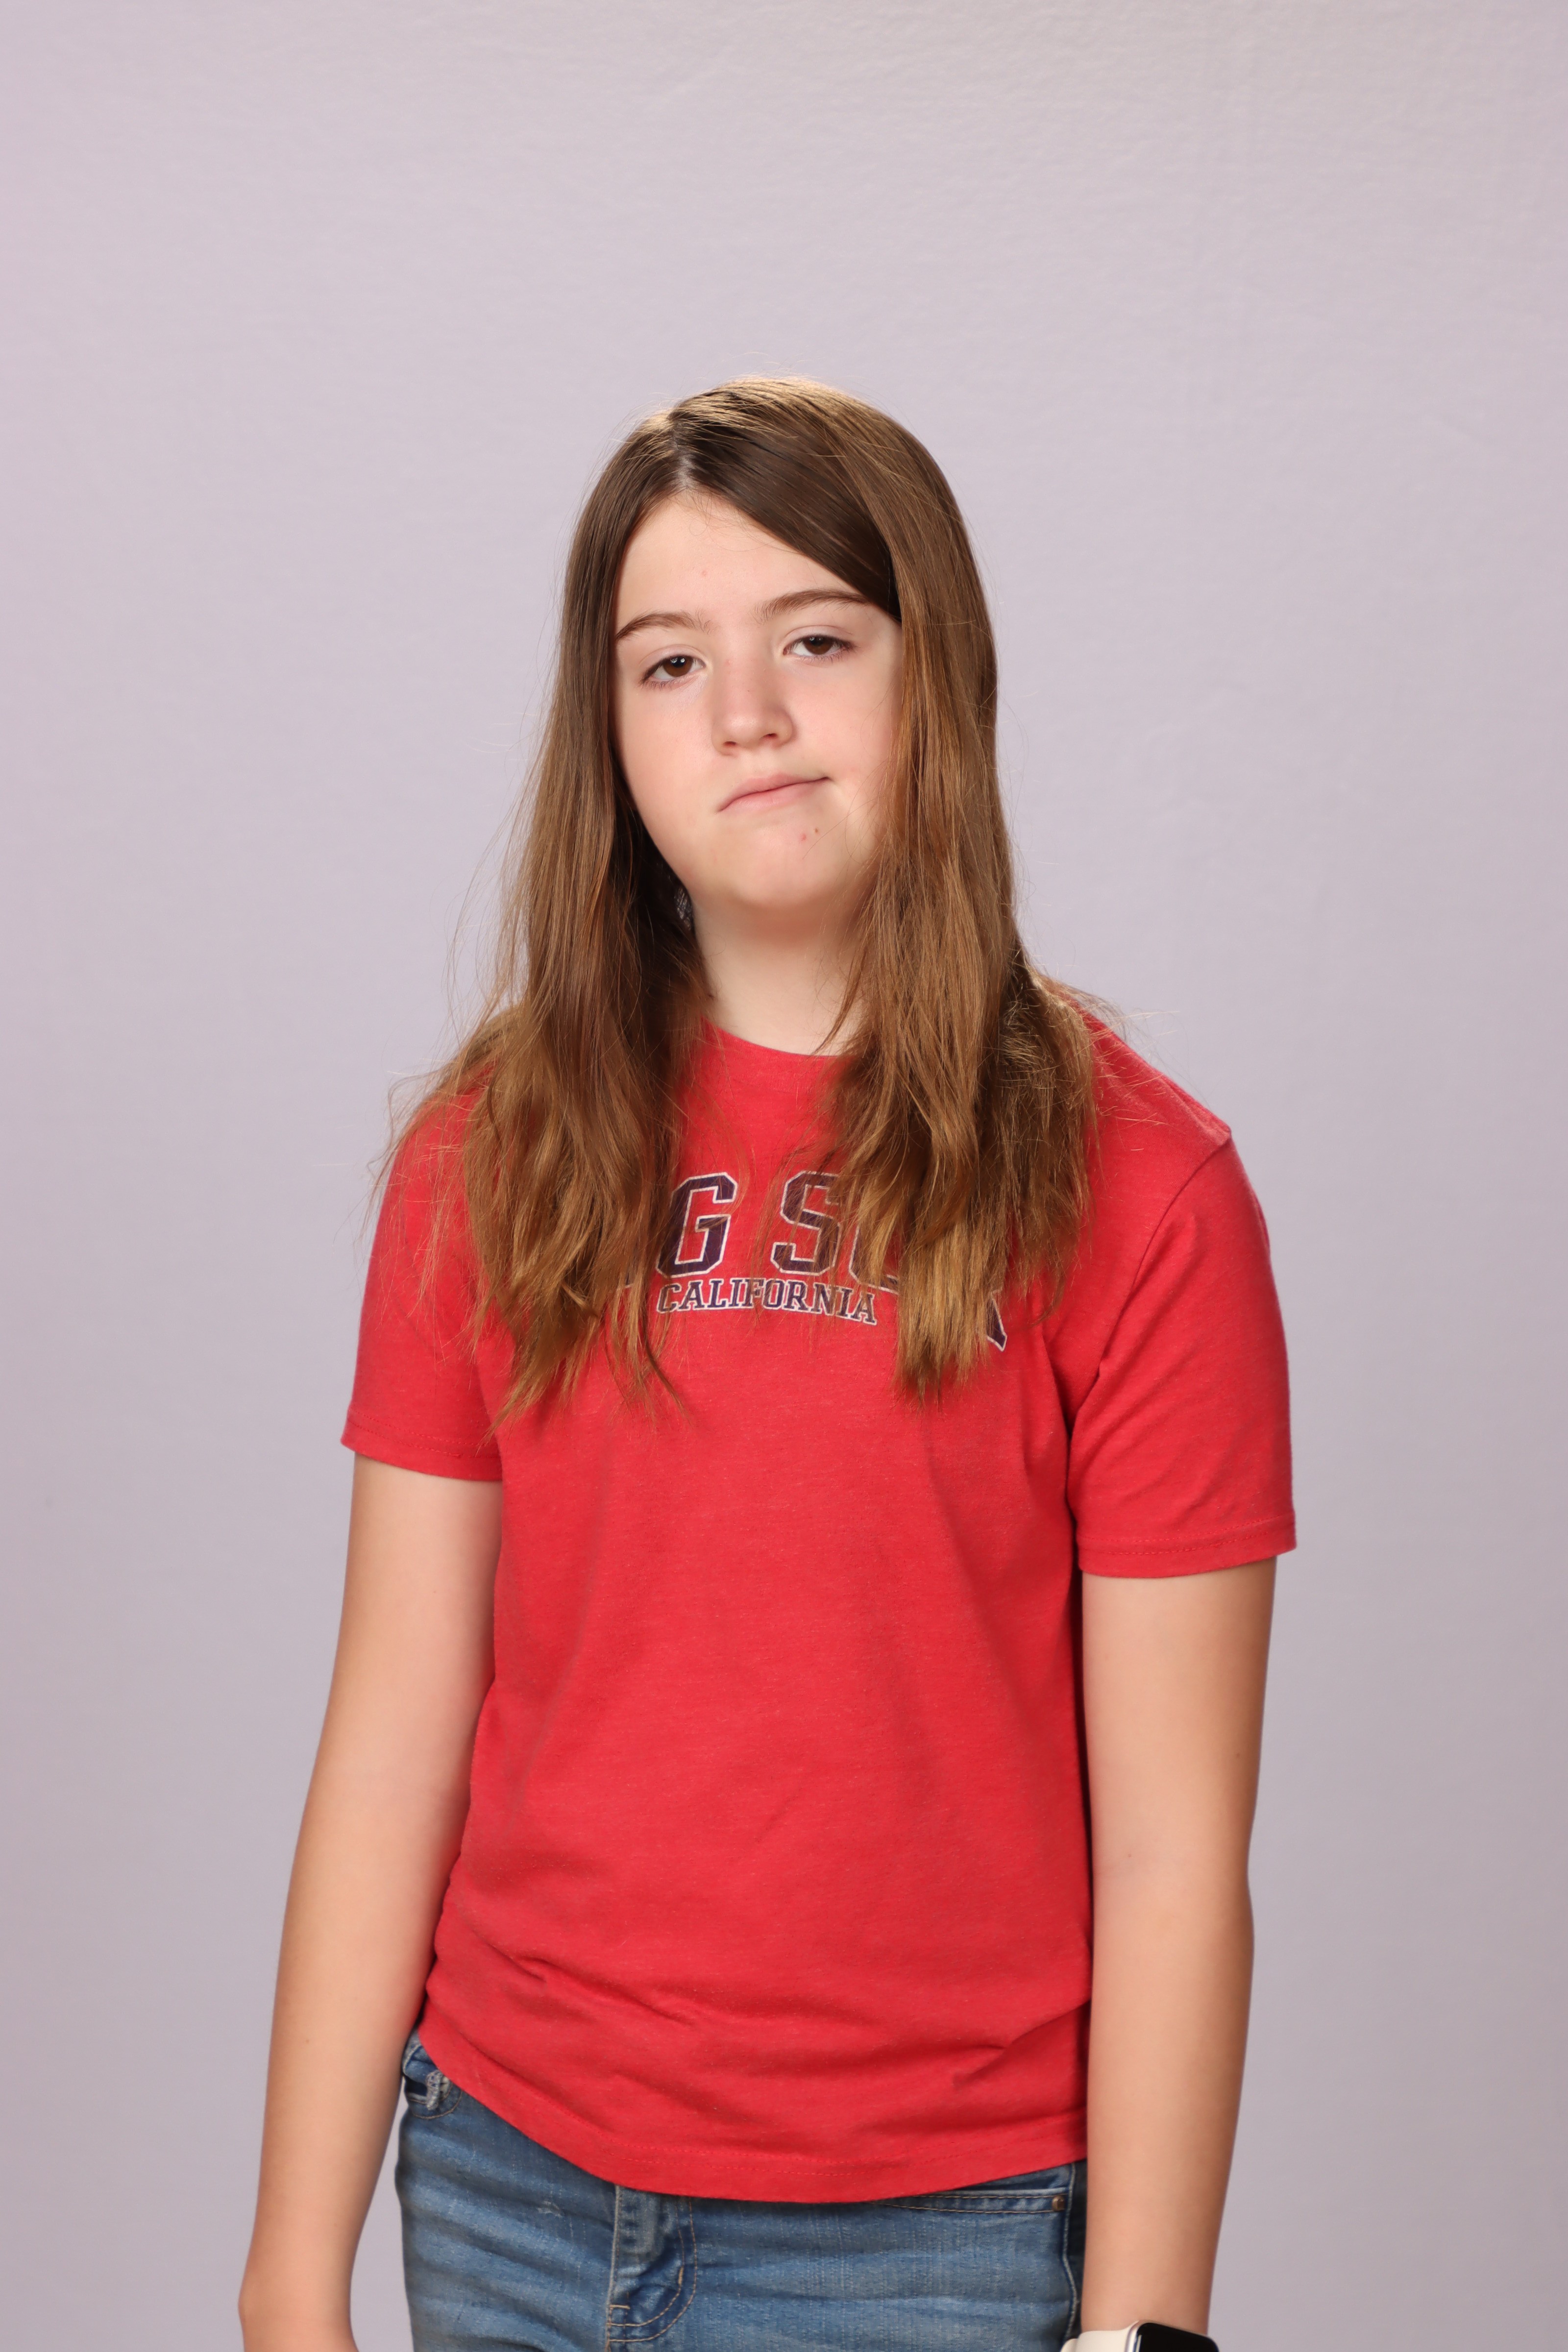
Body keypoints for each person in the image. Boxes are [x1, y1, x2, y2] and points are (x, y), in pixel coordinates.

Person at [239, 377, 1293, 2352]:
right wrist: (292, 2271)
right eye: (669, 663)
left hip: (932, 2238)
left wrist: (1142, 2327)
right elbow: (393, 1734)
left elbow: (1173, 1852)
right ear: (609, 735)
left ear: (933, 676)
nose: (744, 713)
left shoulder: (1143, 1192)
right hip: (504, 2186)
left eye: (815, 640)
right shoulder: (489, 1151)